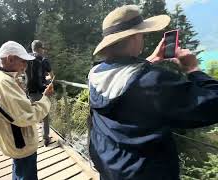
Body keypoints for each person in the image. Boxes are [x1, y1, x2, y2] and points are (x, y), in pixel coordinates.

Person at [88, 5, 218, 180]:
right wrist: (193, 69)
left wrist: (151, 60)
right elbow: (213, 104)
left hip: (111, 169)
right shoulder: (154, 81)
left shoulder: (96, 73)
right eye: (142, 34)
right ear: (134, 37)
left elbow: (124, 77)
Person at [0, 41, 54, 180]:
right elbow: (27, 116)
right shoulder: (3, 83)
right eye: (23, 62)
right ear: (10, 59)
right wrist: (45, 98)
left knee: (19, 171)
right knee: (26, 174)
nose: (25, 66)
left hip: (14, 140)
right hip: (21, 143)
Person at [25, 40, 54, 146]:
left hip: (29, 91)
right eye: (42, 49)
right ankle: (46, 138)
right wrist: (47, 79)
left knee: (33, 114)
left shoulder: (26, 58)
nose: (43, 51)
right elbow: (52, 75)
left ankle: (31, 138)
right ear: (40, 48)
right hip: (41, 91)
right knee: (45, 114)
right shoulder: (43, 60)